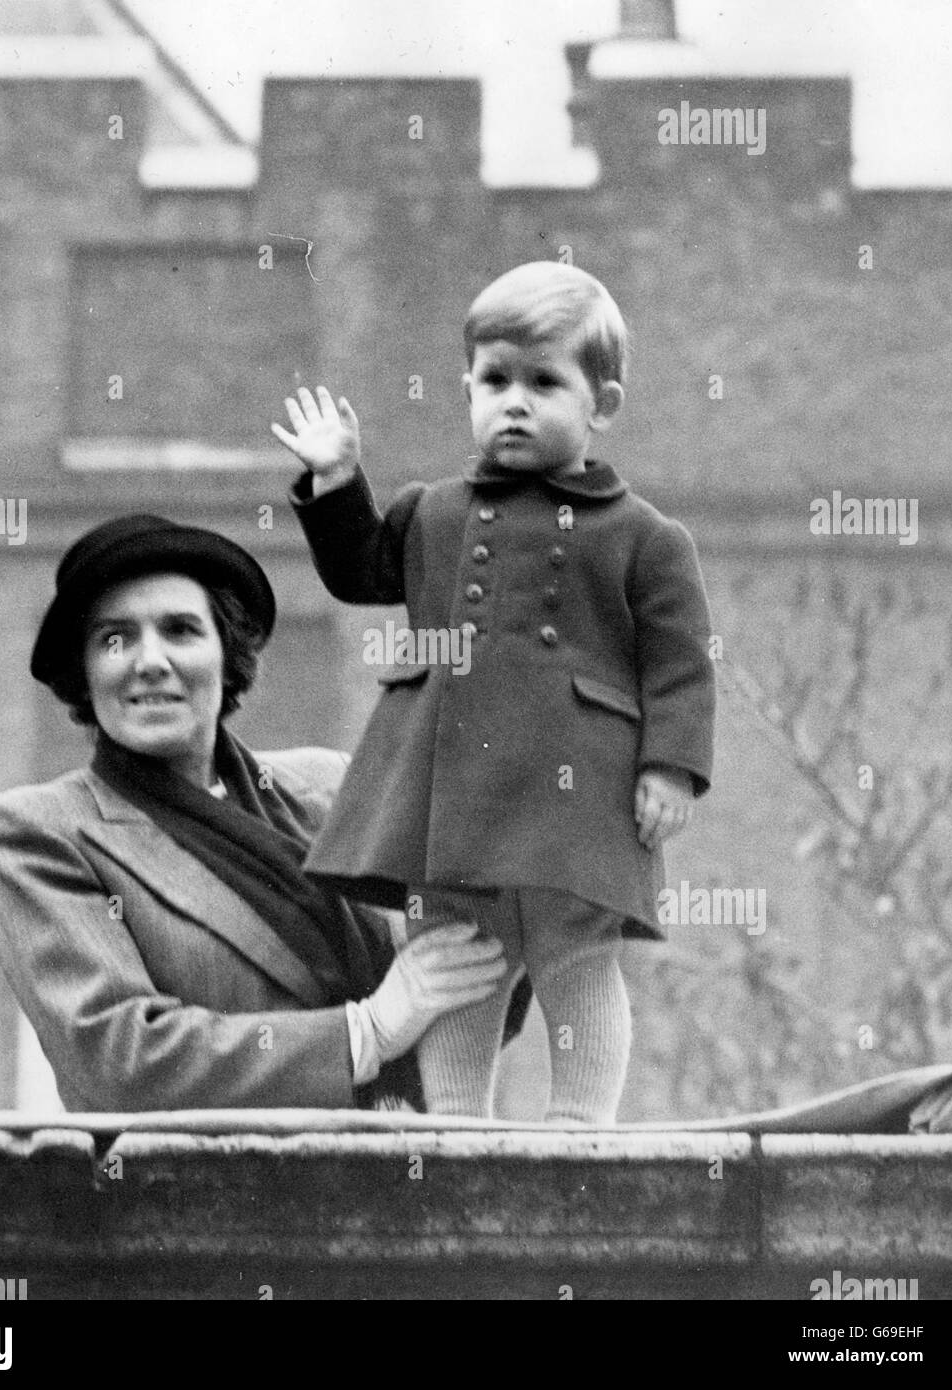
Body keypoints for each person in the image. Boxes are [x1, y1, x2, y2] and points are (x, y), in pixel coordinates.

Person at [272, 261, 716, 1124]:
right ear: (467, 388)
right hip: (449, 789)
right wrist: (334, 482)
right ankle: (454, 1125)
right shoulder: (431, 512)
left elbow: (680, 661)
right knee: (458, 955)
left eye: (544, 382)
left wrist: (670, 769)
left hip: (573, 796)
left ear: (604, 403)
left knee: (575, 957)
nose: (514, 401)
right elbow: (360, 573)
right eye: (494, 379)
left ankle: (579, 1128)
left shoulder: (645, 536)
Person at [0, 514, 509, 1112]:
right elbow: (116, 1056)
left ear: (227, 655)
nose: (149, 661)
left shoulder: (331, 784)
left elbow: (457, 980)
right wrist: (367, 1031)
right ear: (85, 671)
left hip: (405, 1176)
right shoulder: (42, 833)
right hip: (204, 1195)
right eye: (114, 639)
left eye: (180, 630)